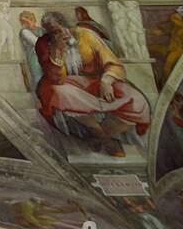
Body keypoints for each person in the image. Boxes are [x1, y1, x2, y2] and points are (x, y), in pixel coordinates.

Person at [33, 11, 151, 157]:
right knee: (62, 94)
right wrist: (56, 52)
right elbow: (55, 78)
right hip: (62, 84)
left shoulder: (86, 36)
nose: (55, 36)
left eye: (58, 30)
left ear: (67, 26)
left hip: (94, 82)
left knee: (135, 99)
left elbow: (113, 64)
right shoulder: (44, 44)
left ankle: (96, 137)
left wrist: (106, 81)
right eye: (51, 33)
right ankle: (106, 140)